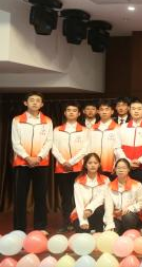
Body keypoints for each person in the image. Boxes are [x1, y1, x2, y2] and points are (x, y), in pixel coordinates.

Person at [11, 91, 53, 231]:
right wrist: (27, 157)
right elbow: (15, 143)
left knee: (40, 196)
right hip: (22, 163)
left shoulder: (47, 121)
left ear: (42, 104)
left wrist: (39, 157)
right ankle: (19, 228)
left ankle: (40, 227)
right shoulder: (17, 120)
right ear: (25, 103)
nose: (35, 103)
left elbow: (49, 142)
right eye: (32, 100)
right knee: (20, 197)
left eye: (38, 100)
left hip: (41, 163)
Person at [52, 101, 90, 231]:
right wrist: (63, 161)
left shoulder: (84, 130)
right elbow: (54, 148)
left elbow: (85, 149)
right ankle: (66, 223)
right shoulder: (57, 130)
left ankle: (79, 221)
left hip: (79, 167)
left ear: (79, 114)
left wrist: (72, 161)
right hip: (62, 168)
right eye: (69, 110)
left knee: (80, 196)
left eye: (74, 110)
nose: (71, 112)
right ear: (64, 113)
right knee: (66, 197)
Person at [117, 98, 142, 194]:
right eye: (133, 109)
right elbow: (117, 148)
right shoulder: (122, 127)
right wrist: (127, 161)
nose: (136, 111)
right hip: (125, 168)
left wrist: (140, 160)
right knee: (126, 194)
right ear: (129, 110)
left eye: (139, 109)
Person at [71, 153, 111, 233]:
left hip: (98, 213)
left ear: (99, 165)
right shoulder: (78, 181)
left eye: (95, 163)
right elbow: (79, 203)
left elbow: (102, 199)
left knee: (100, 208)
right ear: (85, 165)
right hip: (81, 214)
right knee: (83, 233)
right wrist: (83, 221)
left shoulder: (106, 180)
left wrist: (90, 209)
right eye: (90, 163)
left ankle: (100, 231)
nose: (93, 165)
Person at [107, 158, 142, 234]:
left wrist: (128, 209)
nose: (121, 170)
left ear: (128, 169)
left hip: (133, 216)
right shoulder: (109, 186)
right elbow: (107, 205)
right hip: (116, 217)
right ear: (115, 170)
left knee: (128, 217)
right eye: (118, 168)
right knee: (111, 232)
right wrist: (114, 212)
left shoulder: (137, 185)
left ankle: (131, 232)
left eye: (124, 168)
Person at [90, 100, 123, 179]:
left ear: (112, 111)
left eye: (107, 109)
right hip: (94, 167)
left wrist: (117, 165)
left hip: (111, 167)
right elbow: (88, 148)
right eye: (101, 109)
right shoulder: (92, 128)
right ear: (98, 111)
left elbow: (120, 149)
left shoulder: (118, 128)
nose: (104, 112)